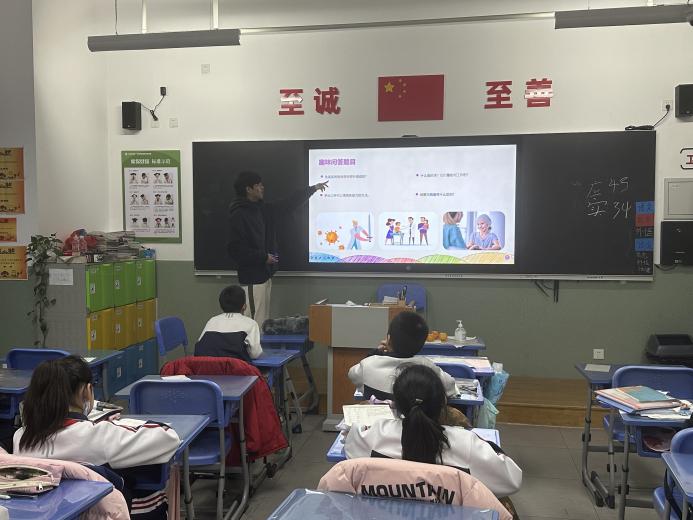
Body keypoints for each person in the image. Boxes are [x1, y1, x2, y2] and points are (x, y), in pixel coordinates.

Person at [14, 356, 180, 518]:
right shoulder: (98, 435)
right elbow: (168, 437)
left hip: (47, 512)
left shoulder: (21, 437)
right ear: (86, 391)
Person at [345, 364, 522, 499]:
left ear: (395, 404)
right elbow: (511, 480)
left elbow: (351, 449)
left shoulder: (373, 435)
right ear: (442, 404)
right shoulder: (466, 444)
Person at [227, 171, 328, 326]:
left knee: (262, 321)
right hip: (252, 277)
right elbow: (236, 249)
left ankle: (258, 343)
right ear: (248, 189)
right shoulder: (239, 214)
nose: (262, 187)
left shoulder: (262, 209)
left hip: (265, 275)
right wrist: (263, 257)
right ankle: (251, 343)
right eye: (258, 185)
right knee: (253, 321)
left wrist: (312, 189)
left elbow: (288, 203)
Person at [347, 311, 457, 400]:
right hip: (417, 421)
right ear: (422, 344)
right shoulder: (428, 368)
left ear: (389, 339)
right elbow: (451, 387)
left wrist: (376, 354)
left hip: (378, 420)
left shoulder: (368, 365)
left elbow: (353, 374)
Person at [196, 284, 263, 361]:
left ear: (221, 305)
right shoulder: (251, 324)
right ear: (244, 306)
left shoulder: (212, 321)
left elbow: (199, 347)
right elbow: (255, 354)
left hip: (207, 367)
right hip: (236, 367)